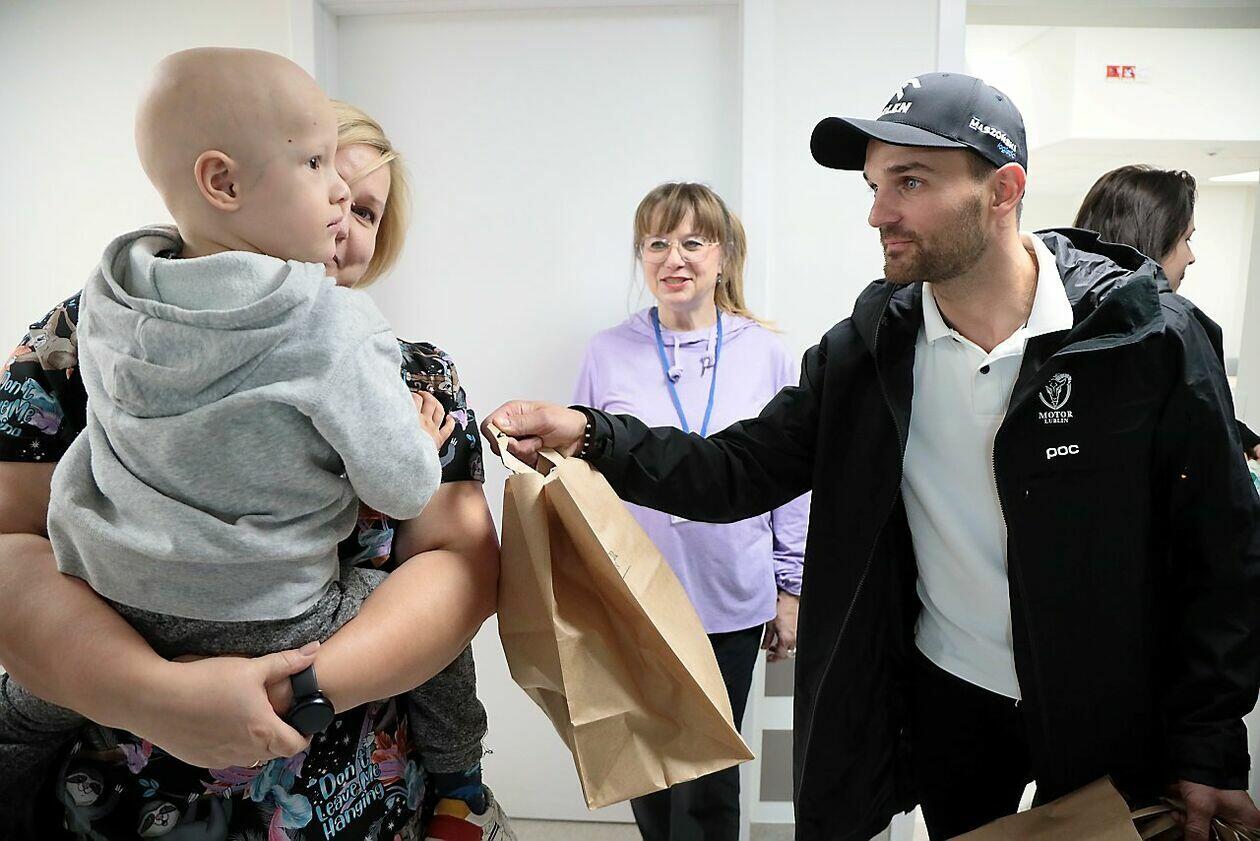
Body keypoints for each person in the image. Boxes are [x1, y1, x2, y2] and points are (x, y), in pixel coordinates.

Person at [482, 72, 1260, 841]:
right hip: (955, 700)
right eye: (875, 185)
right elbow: (738, 469)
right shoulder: (870, 350)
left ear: (1003, 190)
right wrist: (591, 432)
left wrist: (1210, 743)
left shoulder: (1142, 339)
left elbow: (1220, 550)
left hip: (1106, 708)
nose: (879, 212)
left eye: (910, 182)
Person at [0, 86, 514, 840]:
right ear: (230, 185)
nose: (341, 217)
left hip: (354, 791)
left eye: (367, 211)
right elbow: (12, 542)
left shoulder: (411, 371)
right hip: (115, 792)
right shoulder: (87, 332)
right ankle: (465, 787)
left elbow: (459, 567)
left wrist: (285, 696)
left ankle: (459, 786)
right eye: (322, 177)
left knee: (19, 718)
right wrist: (151, 694)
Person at [572, 181, 807, 840]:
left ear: (723, 255)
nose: (673, 258)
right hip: (633, 597)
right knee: (646, 771)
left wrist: (791, 585)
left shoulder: (766, 353)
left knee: (705, 780)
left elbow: (793, 479)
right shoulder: (606, 352)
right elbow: (580, 477)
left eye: (692, 242)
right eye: (657, 243)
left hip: (730, 596)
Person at [1073, 164, 1260, 460]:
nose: (1191, 257)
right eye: (1186, 239)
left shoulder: (1058, 324)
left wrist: (1237, 435)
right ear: (1153, 238)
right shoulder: (1173, 333)